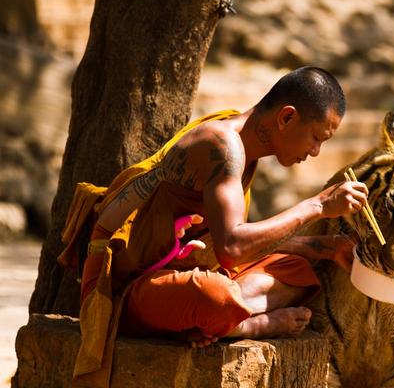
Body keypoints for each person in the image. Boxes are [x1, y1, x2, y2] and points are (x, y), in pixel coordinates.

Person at [59, 66, 368, 384]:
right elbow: (233, 248)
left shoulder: (245, 148)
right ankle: (246, 324)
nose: (316, 152)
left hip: (183, 268)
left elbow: (231, 237)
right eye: (317, 138)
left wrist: (324, 248)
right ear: (286, 117)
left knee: (298, 270)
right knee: (213, 296)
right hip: (122, 286)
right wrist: (316, 206)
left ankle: (210, 320)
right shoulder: (221, 146)